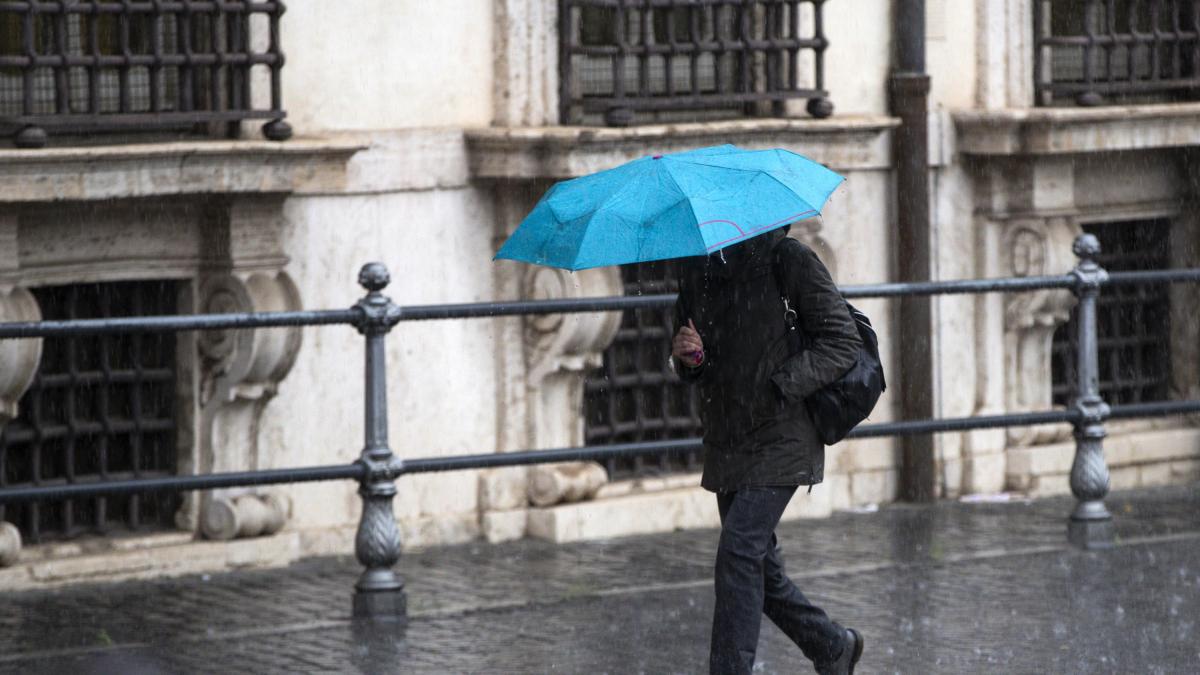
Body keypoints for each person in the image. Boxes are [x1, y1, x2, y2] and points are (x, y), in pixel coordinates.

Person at [671, 225, 864, 675]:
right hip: (728, 436)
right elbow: (693, 359)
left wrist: (781, 385)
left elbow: (842, 341)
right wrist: (691, 357)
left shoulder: (789, 259)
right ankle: (833, 647)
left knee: (738, 552)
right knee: (761, 570)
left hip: (784, 431)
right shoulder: (696, 269)